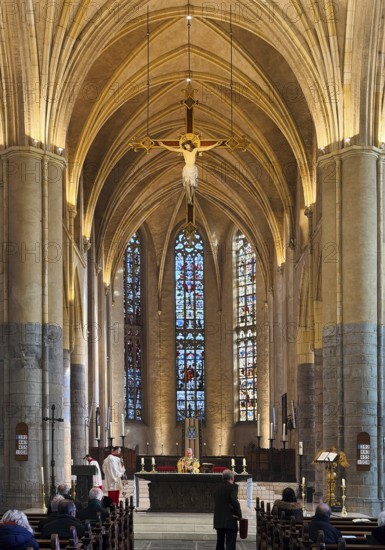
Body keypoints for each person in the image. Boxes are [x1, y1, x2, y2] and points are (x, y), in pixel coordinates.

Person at [159, 138, 221, 204]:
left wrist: (215, 144)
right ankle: (189, 199)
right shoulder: (183, 151)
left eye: (187, 145)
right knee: (187, 184)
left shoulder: (195, 150)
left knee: (193, 185)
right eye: (185, 146)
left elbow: (206, 148)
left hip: (193, 169)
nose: (186, 147)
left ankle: (191, 197)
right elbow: (173, 149)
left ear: (190, 145)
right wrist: (163, 145)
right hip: (187, 169)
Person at [213, 469, 242, 550]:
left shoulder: (217, 488)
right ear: (231, 478)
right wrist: (239, 514)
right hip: (230, 519)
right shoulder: (232, 487)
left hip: (219, 519)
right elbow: (234, 501)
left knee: (219, 544)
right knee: (230, 544)